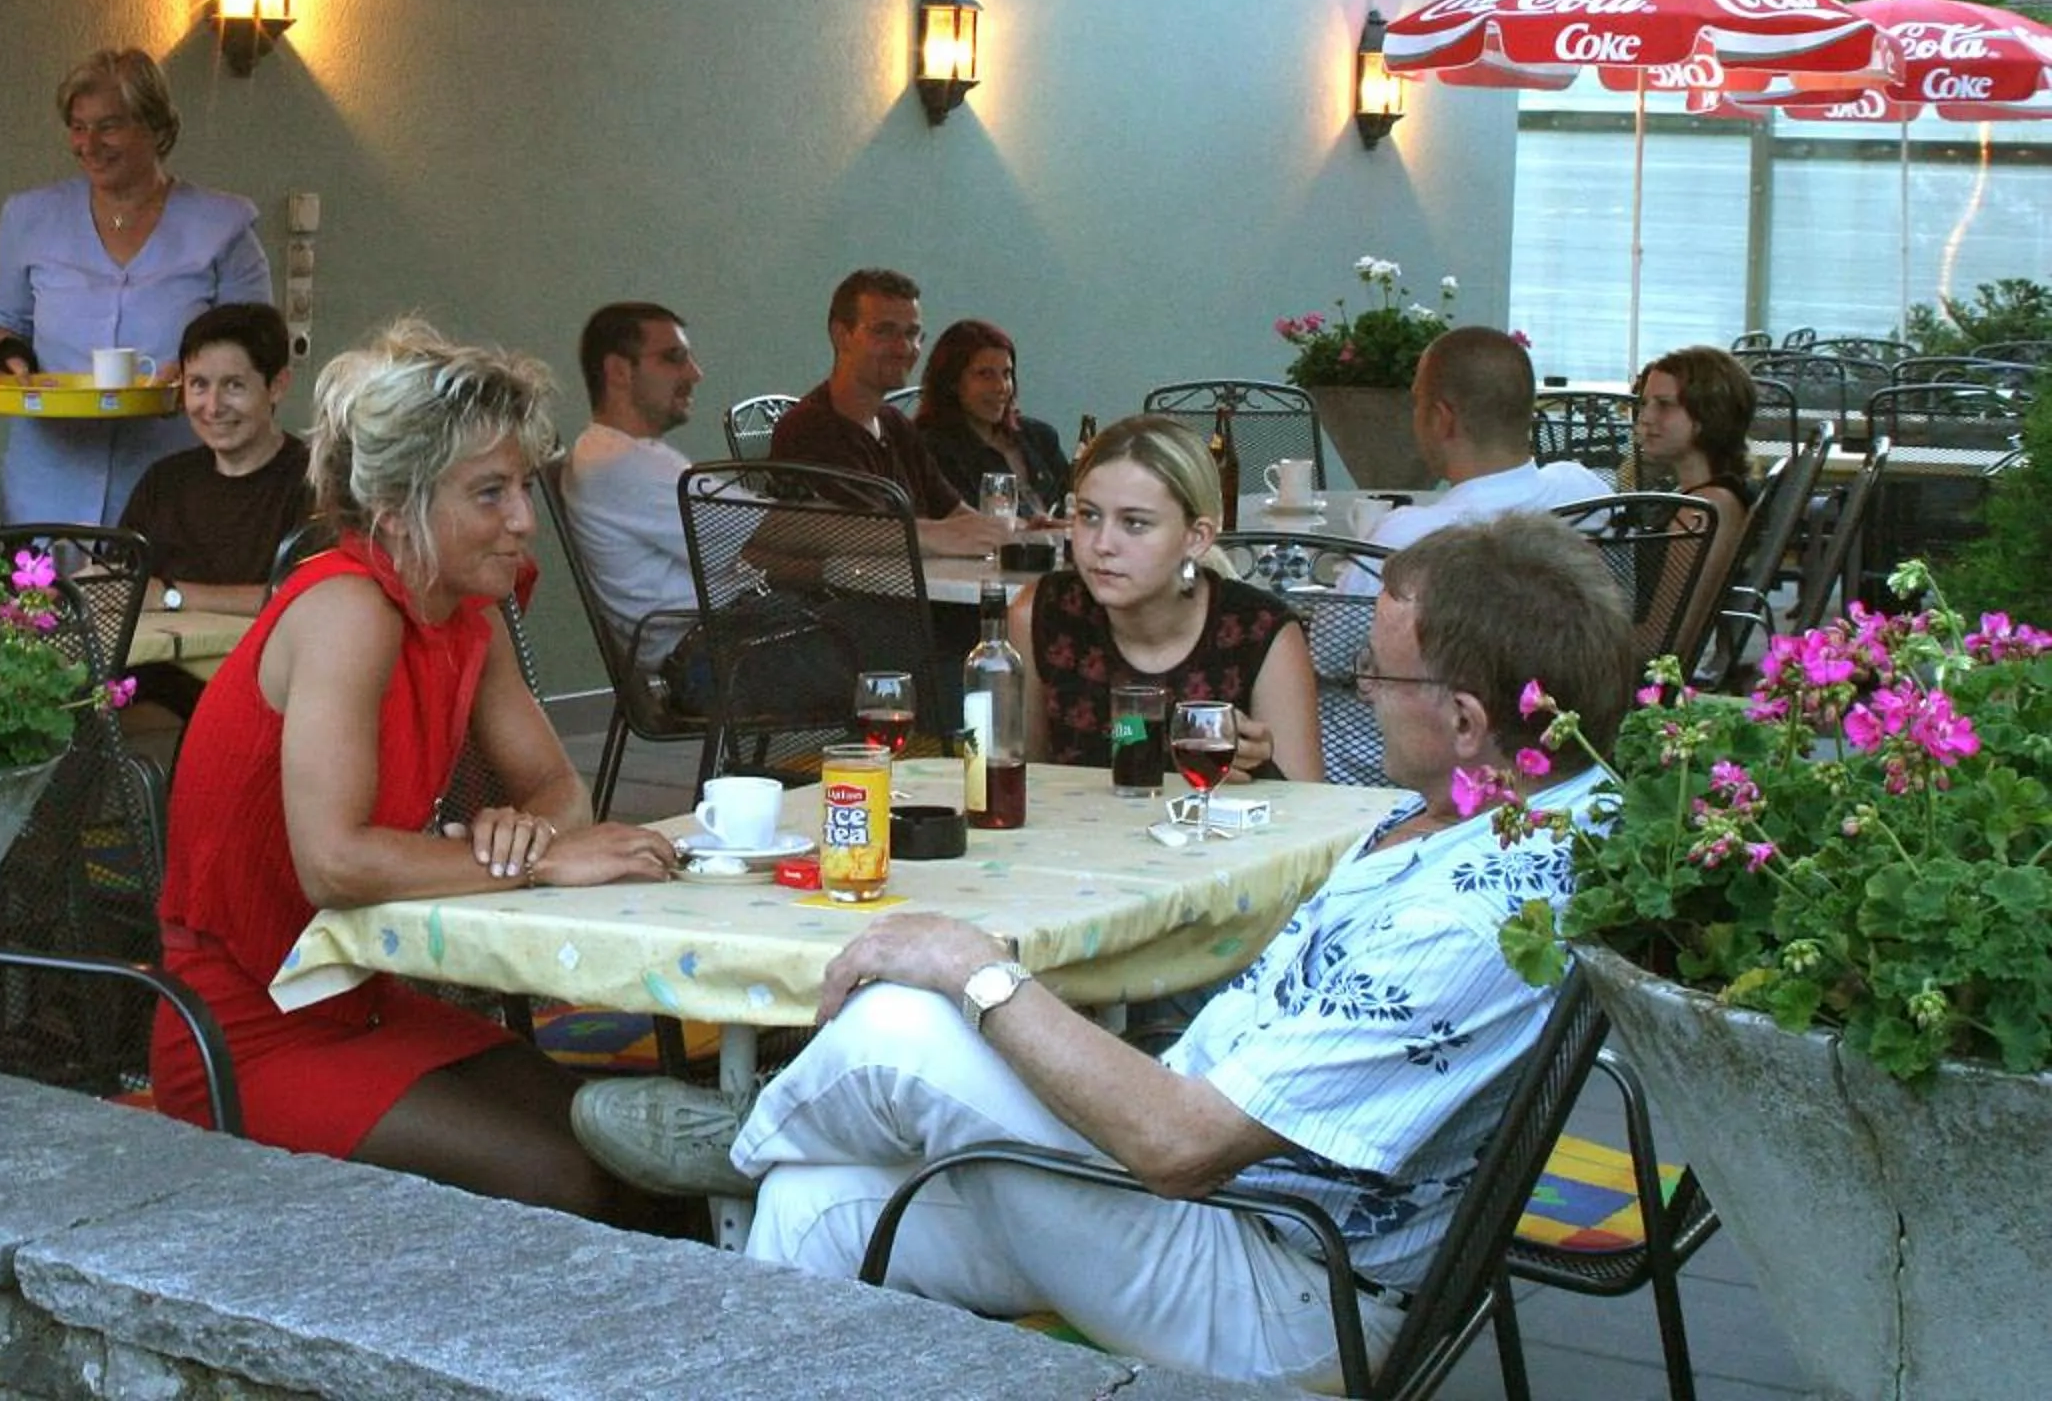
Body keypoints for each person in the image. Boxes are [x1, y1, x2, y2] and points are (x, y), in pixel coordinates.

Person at [571, 514, 1634, 1392]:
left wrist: (972, 961)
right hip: (1218, 1199)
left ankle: (737, 1136)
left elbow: (1182, 1144)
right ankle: (769, 1164)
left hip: (1286, 1286)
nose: (1361, 691)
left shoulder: (1486, 903)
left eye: (1378, 677)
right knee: (818, 1204)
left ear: (1464, 716)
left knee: (907, 1018)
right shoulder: (1484, 812)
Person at [149, 318, 683, 1217]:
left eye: (521, 487)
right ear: (397, 512)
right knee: (561, 1177)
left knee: (624, 1148)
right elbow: (335, 862)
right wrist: (540, 861)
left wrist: (531, 833)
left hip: (357, 1001)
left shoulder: (466, 614)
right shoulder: (349, 608)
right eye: (488, 494)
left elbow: (559, 791)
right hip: (242, 1030)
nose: (522, 519)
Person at [0, 48, 272, 526]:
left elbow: (260, 344)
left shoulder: (223, 225)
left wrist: (192, 372)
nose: (89, 144)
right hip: (48, 481)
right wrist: (9, 358)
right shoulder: (28, 217)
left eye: (109, 125)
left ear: (156, 129)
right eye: (78, 126)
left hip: (175, 475)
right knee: (42, 603)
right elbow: (2, 323)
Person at [1013, 415, 1317, 781]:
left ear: (1196, 537)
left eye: (1135, 523)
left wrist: (1261, 767)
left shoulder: (1261, 631)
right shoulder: (1041, 615)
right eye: (1089, 516)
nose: (1102, 544)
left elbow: (1309, 807)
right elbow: (1020, 776)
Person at [769, 268, 1020, 557]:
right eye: (884, 331)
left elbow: (956, 514)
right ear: (842, 335)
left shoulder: (895, 423)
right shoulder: (810, 430)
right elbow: (854, 536)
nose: (903, 348)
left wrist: (1029, 533)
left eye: (912, 333)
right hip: (860, 601)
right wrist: (939, 535)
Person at [119, 302, 314, 618]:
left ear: (277, 386)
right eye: (199, 385)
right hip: (156, 665)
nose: (213, 406)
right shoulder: (163, 481)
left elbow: (307, 597)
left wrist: (171, 595)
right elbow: (118, 582)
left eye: (234, 386)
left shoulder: (315, 480)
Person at [1365, 327, 1612, 555]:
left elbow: (1344, 604)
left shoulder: (1407, 538)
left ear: (1442, 419)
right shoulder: (1586, 492)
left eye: (1418, 401)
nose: (1414, 414)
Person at [562, 301, 706, 670]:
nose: (695, 373)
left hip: (727, 641)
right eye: (674, 358)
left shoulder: (626, 454)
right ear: (619, 371)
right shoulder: (620, 461)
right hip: (715, 659)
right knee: (871, 634)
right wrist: (868, 537)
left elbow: (758, 543)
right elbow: (764, 535)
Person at [1632, 343, 1759, 663]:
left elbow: (1664, 640)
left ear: (1707, 416)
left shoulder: (1702, 512)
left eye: (1664, 405)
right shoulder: (1709, 494)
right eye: (1645, 403)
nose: (1645, 417)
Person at [913, 319, 1071, 515]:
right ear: (952, 381)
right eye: (985, 375)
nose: (1001, 387)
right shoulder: (933, 449)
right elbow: (965, 522)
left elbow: (1075, 500)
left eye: (1006, 374)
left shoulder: (1041, 437)